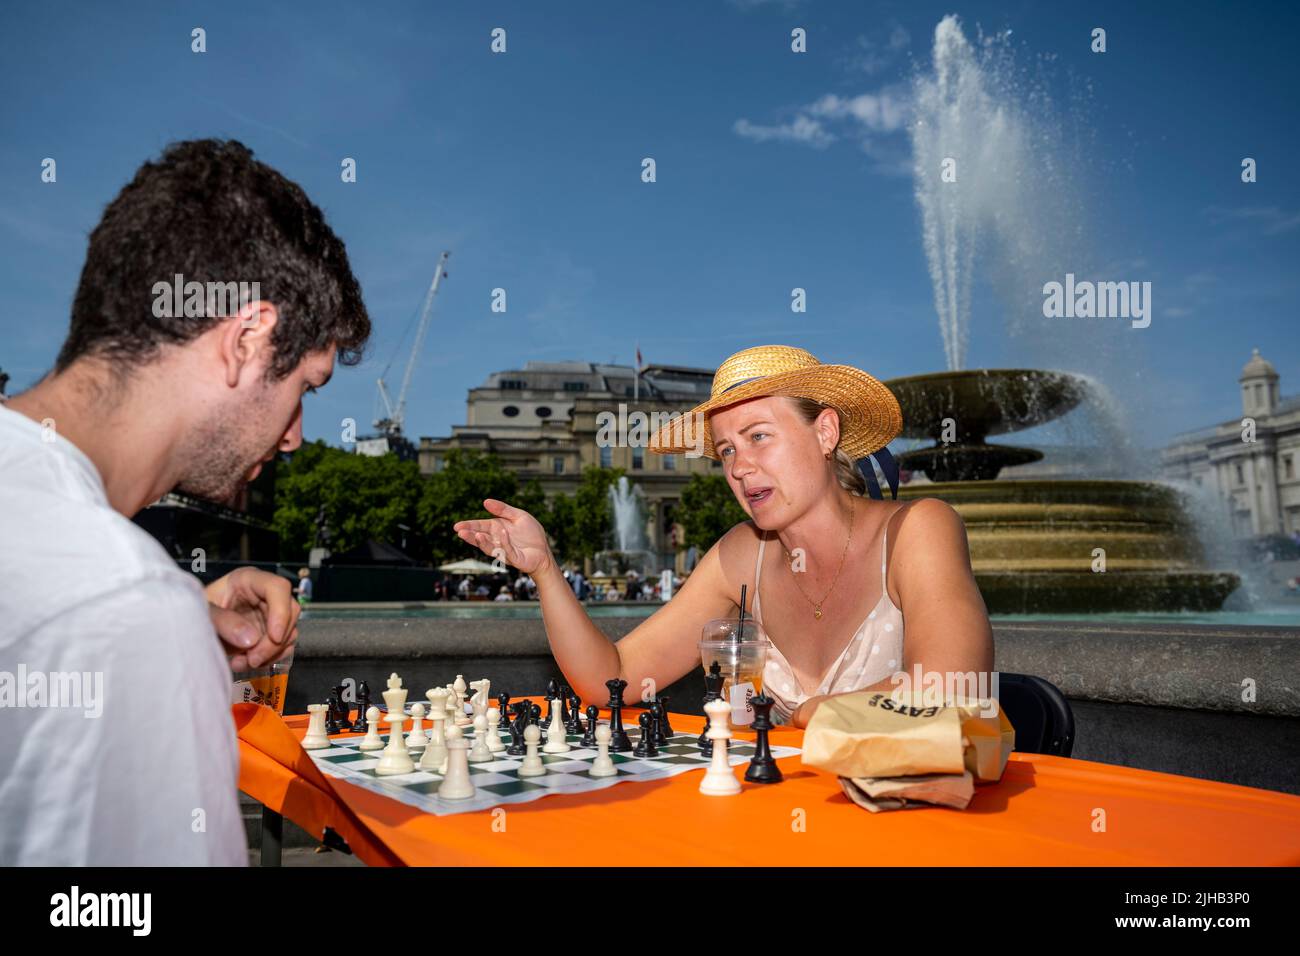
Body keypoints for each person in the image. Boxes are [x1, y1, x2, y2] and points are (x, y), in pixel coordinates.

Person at [0, 139, 371, 864]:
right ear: (246, 340)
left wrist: (179, 618)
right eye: (305, 390)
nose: (295, 437)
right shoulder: (121, 609)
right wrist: (154, 629)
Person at [454, 345, 993, 728]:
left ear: (824, 432)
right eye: (728, 450)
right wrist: (545, 570)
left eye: (759, 436)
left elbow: (955, 688)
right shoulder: (741, 555)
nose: (739, 467)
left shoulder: (918, 529)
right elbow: (610, 682)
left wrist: (805, 715)